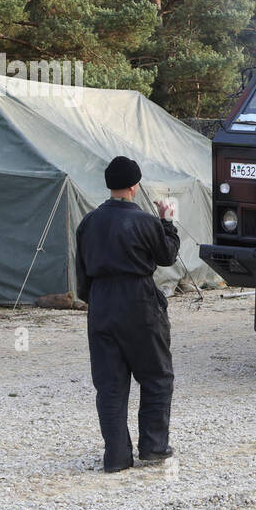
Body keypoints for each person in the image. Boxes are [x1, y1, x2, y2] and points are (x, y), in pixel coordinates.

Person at [76, 156, 179, 472]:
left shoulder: (88, 223)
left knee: (110, 384)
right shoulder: (145, 221)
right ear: (135, 185)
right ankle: (153, 447)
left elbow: (82, 278)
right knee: (156, 376)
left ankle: (117, 457)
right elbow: (167, 256)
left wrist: (94, 300)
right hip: (139, 302)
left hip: (102, 304)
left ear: (110, 185)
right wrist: (167, 221)